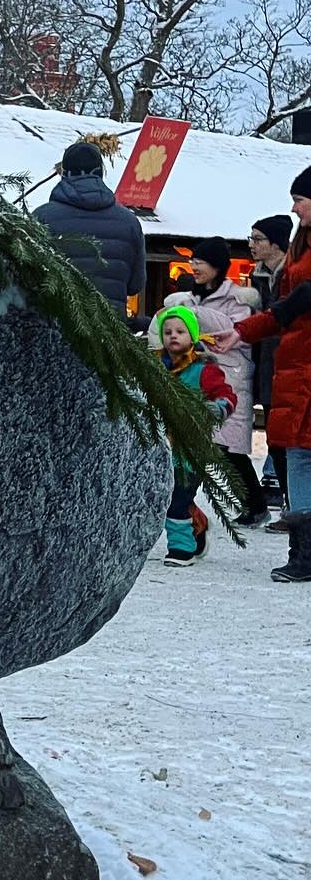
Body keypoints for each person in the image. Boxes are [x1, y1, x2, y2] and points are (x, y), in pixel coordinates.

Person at [234, 166, 311, 583]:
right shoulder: (299, 248)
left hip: (300, 364)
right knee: (297, 455)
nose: (294, 208)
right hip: (295, 365)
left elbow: (296, 301)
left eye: (299, 199)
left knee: (299, 456)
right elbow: (285, 307)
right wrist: (241, 332)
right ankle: (303, 553)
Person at [164, 236, 266, 527]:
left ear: (218, 266)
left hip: (230, 380)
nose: (194, 266)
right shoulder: (188, 298)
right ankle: (184, 505)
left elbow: (235, 331)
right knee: (195, 448)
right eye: (192, 261)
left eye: (201, 262)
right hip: (194, 377)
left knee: (228, 451)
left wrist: (191, 315)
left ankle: (254, 506)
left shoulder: (239, 299)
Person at [152, 305, 235, 568]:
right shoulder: (156, 366)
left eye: (180, 331)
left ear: (193, 336)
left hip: (190, 448)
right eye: (167, 332)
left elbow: (226, 395)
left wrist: (217, 408)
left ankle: (181, 549)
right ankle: (197, 524)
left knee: (178, 498)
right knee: (168, 497)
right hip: (161, 444)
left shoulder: (204, 369)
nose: (173, 336)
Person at [32, 141, 146, 318]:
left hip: (56, 322)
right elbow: (135, 285)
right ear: (100, 172)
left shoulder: (42, 217)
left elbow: (28, 277)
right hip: (110, 326)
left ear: (64, 173)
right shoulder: (129, 222)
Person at [249, 214, 293, 520]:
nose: (251, 244)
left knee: (291, 443)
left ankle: (296, 509)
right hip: (267, 367)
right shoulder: (259, 278)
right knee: (275, 440)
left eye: (258, 239)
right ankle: (291, 506)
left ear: (275, 244)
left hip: (291, 366)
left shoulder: (292, 275)